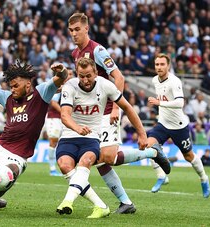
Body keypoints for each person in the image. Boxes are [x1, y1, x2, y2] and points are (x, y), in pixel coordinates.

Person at [0, 35, 68, 210]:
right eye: (10, 86)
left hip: (18, 156)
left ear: (27, 85)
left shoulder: (40, 94)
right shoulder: (8, 98)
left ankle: (6, 179)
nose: (12, 89)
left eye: (15, 85)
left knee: (3, 176)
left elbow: (60, 78)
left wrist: (61, 70)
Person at [56, 57, 170, 218]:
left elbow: (126, 102)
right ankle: (120, 201)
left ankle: (71, 202)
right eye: (81, 76)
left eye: (89, 75)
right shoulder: (72, 78)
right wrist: (77, 127)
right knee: (93, 161)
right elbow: (65, 115)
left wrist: (142, 134)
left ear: (96, 72)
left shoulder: (98, 56)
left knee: (105, 158)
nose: (85, 80)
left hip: (100, 125)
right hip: (72, 134)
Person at [67, 12, 141, 214]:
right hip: (90, 115)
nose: (74, 34)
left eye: (77, 30)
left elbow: (119, 77)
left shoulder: (97, 50)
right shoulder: (75, 54)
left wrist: (116, 107)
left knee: (106, 157)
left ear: (86, 29)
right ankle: (126, 202)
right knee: (98, 158)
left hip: (108, 110)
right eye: (71, 30)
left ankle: (151, 153)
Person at [147, 53, 210, 198]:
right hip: (163, 123)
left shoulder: (174, 81)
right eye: (157, 64)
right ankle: (161, 176)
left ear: (168, 66)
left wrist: (159, 103)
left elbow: (180, 103)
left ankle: (204, 179)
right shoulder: (154, 80)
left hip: (178, 126)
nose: (159, 67)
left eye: (162, 64)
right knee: (149, 146)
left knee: (189, 156)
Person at [45, 68, 74, 176]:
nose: (70, 76)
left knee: (64, 142)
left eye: (72, 74)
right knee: (53, 141)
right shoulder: (60, 87)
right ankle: (52, 168)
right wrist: (64, 112)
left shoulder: (73, 88)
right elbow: (53, 102)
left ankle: (66, 165)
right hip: (54, 118)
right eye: (69, 74)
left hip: (64, 119)